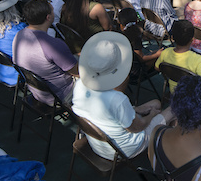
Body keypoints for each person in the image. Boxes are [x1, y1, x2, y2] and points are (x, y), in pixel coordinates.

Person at [72, 31, 174, 160]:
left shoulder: (80, 85)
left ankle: (163, 139)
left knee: (156, 103)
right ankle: (169, 150)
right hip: (124, 149)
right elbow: (138, 127)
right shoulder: (117, 99)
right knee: (174, 109)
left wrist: (138, 110)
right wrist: (153, 115)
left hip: (99, 143)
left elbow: (109, 114)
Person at [13, 0, 78, 106]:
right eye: (52, 11)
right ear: (48, 17)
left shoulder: (19, 35)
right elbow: (78, 73)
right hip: (61, 95)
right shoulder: (53, 44)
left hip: (37, 91)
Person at [119, 8, 163, 83]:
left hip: (121, 69)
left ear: (120, 23)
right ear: (136, 20)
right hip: (134, 73)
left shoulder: (119, 34)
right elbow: (141, 59)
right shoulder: (135, 37)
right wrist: (157, 55)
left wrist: (154, 53)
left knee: (153, 53)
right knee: (163, 55)